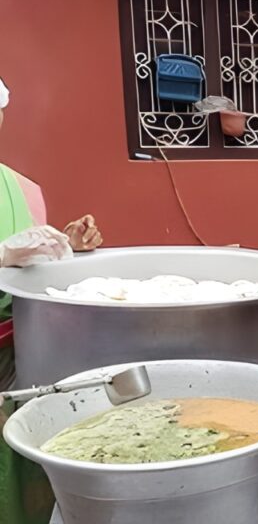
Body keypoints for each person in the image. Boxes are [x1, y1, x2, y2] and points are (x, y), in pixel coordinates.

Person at [0, 75, 103, 524]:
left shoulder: (19, 188)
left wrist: (66, 245)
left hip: (18, 354)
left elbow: (30, 265)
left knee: (26, 464)